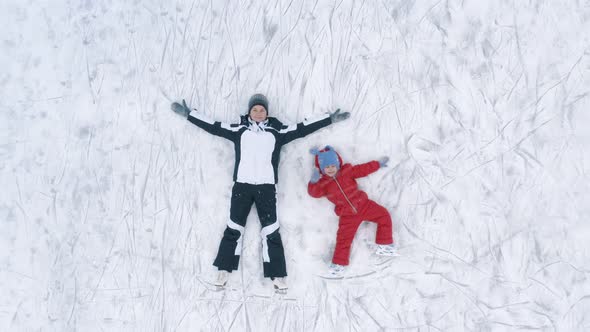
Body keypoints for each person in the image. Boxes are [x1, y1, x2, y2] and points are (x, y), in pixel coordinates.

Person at [171, 94, 350, 292]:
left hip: (266, 188)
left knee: (271, 230)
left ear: (267, 113)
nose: (258, 113)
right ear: (249, 112)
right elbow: (214, 127)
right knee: (234, 227)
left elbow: (301, 129)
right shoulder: (239, 130)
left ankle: (278, 275)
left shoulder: (277, 131)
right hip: (242, 187)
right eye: (255, 109)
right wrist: (190, 115)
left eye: (262, 110)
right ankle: (223, 269)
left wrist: (328, 119)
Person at [307, 146, 396, 277]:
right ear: (321, 169)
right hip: (347, 215)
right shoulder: (323, 184)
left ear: (338, 164)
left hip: (363, 205)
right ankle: (338, 264)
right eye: (327, 167)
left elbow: (363, 169)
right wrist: (313, 182)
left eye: (333, 165)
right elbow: (314, 193)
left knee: (384, 215)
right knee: (343, 240)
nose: (330, 169)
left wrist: (377, 164)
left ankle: (384, 245)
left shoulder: (347, 172)